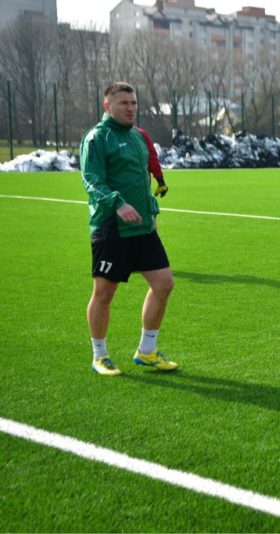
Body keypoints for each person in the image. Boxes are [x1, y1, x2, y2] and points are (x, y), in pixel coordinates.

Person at [80, 82, 178, 375]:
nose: (130, 108)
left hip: (143, 227)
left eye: (133, 103)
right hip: (112, 227)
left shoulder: (138, 137)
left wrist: (150, 206)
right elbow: (91, 180)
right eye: (123, 103)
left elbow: (141, 178)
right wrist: (118, 203)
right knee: (104, 293)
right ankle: (100, 356)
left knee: (164, 284)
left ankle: (147, 351)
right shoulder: (98, 138)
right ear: (107, 106)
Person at [135, 126, 169, 198]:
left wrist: (161, 181)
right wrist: (160, 181)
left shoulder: (140, 134)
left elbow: (152, 157)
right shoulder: (140, 134)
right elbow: (152, 158)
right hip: (140, 186)